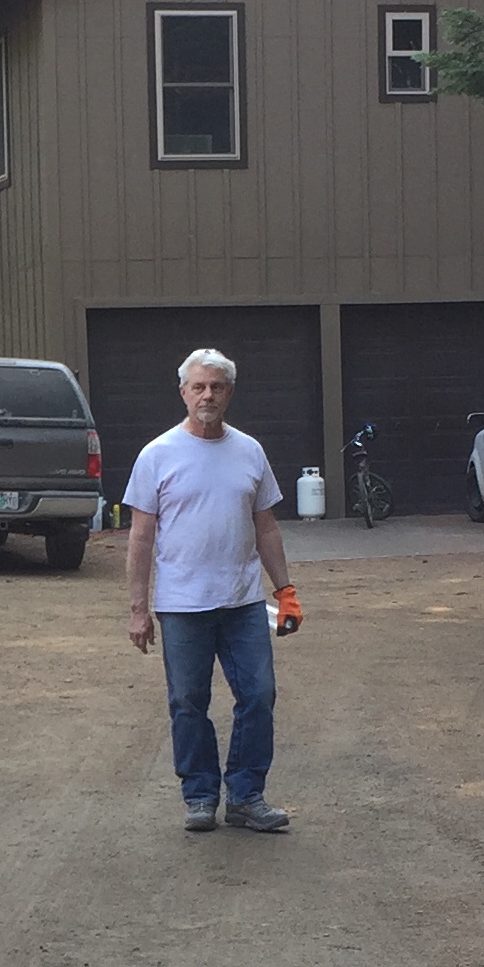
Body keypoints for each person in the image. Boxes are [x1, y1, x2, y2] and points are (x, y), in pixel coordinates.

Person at [124, 347, 302, 836]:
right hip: (182, 606)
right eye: (198, 386)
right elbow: (140, 538)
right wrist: (139, 609)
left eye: (216, 386)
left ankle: (246, 795)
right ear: (183, 392)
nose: (207, 395)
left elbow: (265, 527)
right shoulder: (157, 455)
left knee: (259, 695)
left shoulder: (250, 451)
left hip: (243, 602)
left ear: (230, 393)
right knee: (188, 700)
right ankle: (200, 795)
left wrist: (285, 589)